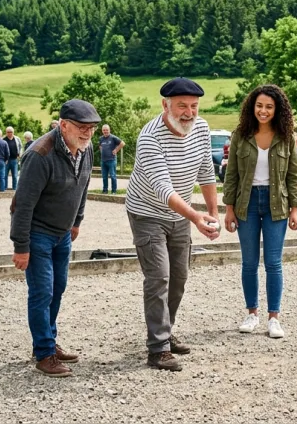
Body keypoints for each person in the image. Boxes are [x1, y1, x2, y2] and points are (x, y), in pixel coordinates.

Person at [124, 78, 220, 372]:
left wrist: (213, 214)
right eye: (181, 106)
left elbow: (206, 173)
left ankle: (165, 332)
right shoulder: (149, 137)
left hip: (180, 215)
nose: (189, 113)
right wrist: (196, 217)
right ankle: (158, 350)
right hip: (147, 213)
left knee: (179, 277)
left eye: (194, 106)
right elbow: (163, 189)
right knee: (159, 278)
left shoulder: (200, 129)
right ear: (164, 105)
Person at [10, 99, 100, 377]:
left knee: (58, 287)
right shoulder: (40, 154)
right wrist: (21, 246)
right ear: (63, 125)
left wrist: (77, 221)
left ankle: (48, 340)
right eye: (81, 127)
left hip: (63, 234)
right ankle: (44, 354)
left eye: (92, 128)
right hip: (38, 233)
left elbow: (83, 186)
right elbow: (22, 205)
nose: (87, 133)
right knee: (42, 292)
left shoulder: (86, 148)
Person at [223, 85, 297, 339]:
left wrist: (295, 209)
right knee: (249, 262)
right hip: (245, 203)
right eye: (259, 106)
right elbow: (231, 174)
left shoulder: (286, 137)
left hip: (276, 204)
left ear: (277, 109)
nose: (263, 111)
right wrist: (229, 209)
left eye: (269, 106)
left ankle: (274, 318)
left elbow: (293, 175)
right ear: (252, 107)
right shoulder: (240, 135)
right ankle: (252, 313)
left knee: (273, 262)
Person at [98, 124, 125, 194]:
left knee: (113, 176)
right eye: (104, 130)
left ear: (109, 130)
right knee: (104, 177)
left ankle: (114, 191)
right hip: (103, 161)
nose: (105, 131)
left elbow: (122, 143)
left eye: (106, 130)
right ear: (102, 131)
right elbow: (100, 146)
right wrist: (102, 152)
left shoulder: (113, 138)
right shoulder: (101, 138)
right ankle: (105, 190)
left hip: (111, 160)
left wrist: (116, 150)